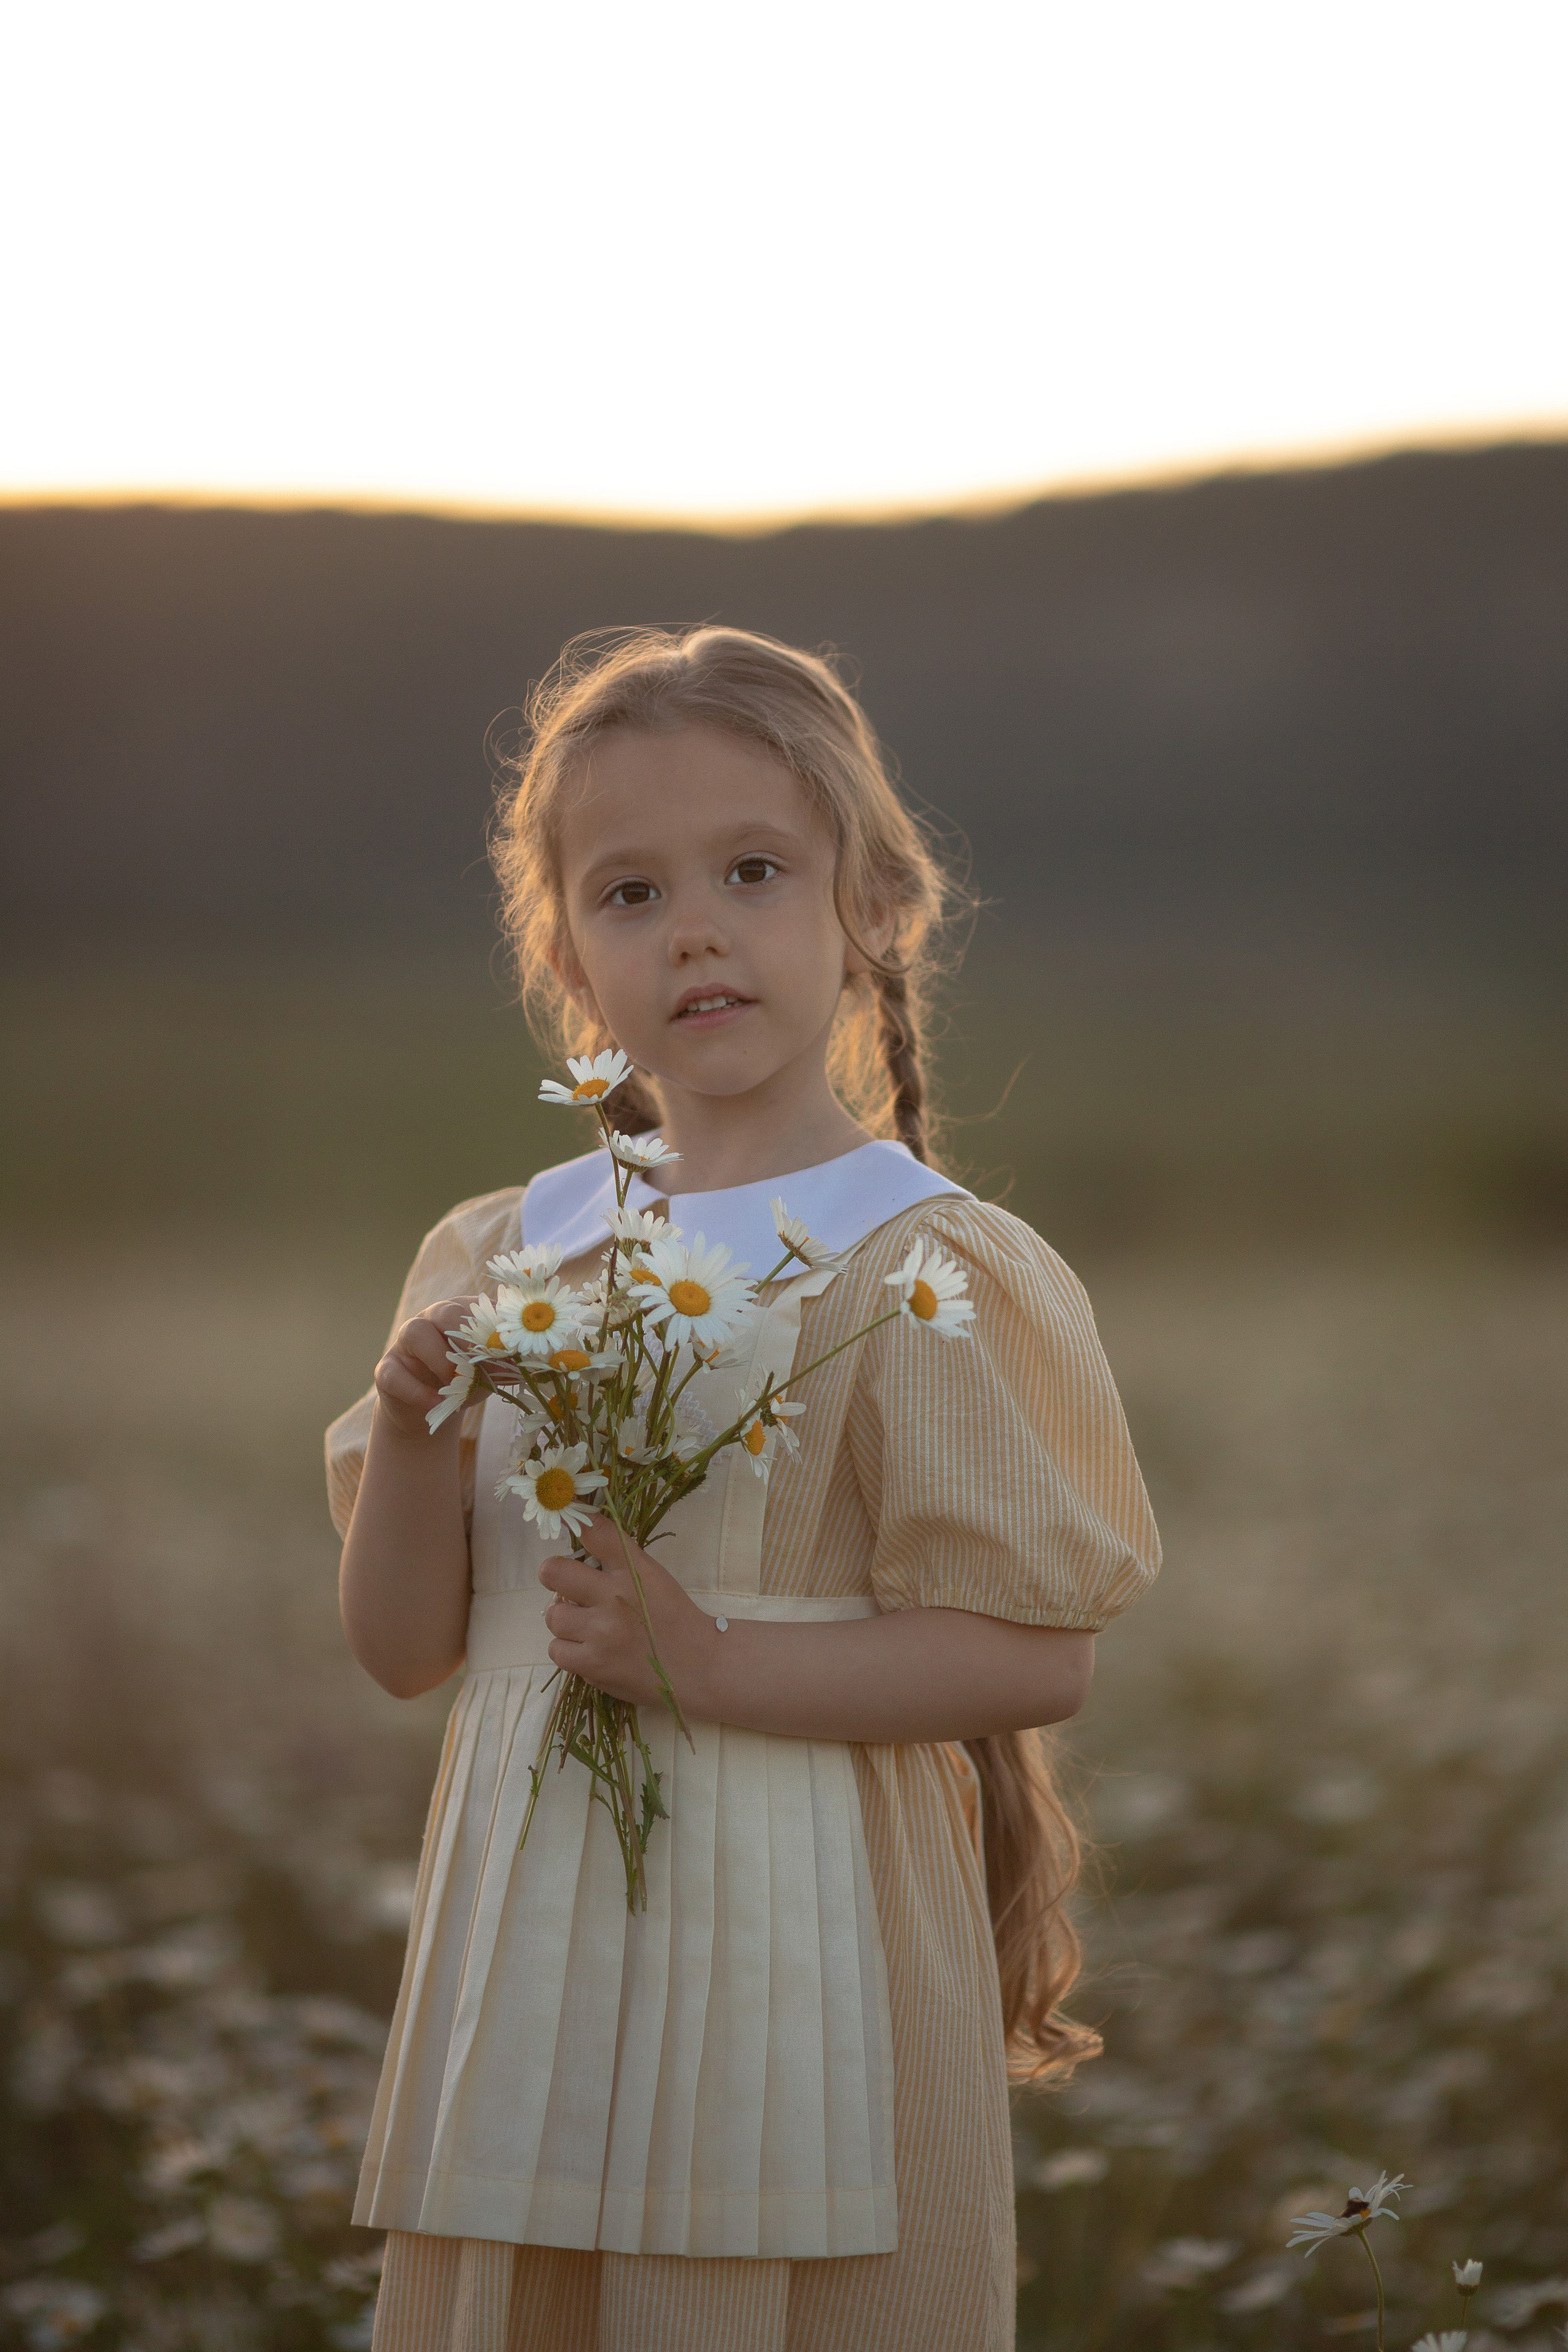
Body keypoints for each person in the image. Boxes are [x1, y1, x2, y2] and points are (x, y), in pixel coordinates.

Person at [326, 626, 1161, 2352]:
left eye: (754, 871)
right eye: (629, 895)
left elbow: (1033, 1656)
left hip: (806, 1948)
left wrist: (709, 1664)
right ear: (571, 961)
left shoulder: (920, 1262)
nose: (695, 926)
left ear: (873, 910)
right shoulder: (506, 1250)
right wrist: (413, 1442)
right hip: (531, 1951)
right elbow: (411, 1651)